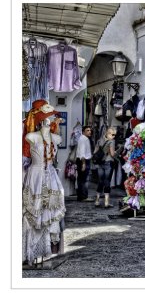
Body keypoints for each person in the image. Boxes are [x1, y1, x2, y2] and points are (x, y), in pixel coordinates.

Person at [22, 100, 66, 265]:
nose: (51, 120)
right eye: (48, 117)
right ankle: (31, 248)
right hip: (36, 175)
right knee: (35, 209)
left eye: (52, 117)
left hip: (50, 175)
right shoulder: (31, 136)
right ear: (41, 120)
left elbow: (58, 140)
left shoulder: (56, 137)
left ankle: (45, 248)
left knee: (50, 209)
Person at [93, 127, 117, 208]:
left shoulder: (99, 140)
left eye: (115, 135)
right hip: (108, 163)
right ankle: (106, 202)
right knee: (107, 182)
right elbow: (112, 154)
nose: (114, 136)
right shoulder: (111, 142)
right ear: (108, 133)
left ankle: (97, 201)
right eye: (113, 134)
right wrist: (117, 152)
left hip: (100, 163)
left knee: (100, 181)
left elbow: (95, 152)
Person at [76, 125, 94, 202]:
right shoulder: (84, 139)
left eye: (90, 130)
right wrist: (83, 163)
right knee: (84, 180)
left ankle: (80, 196)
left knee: (80, 179)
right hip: (84, 161)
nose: (89, 132)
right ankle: (84, 196)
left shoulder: (82, 138)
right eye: (87, 130)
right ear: (83, 131)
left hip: (81, 160)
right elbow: (82, 153)